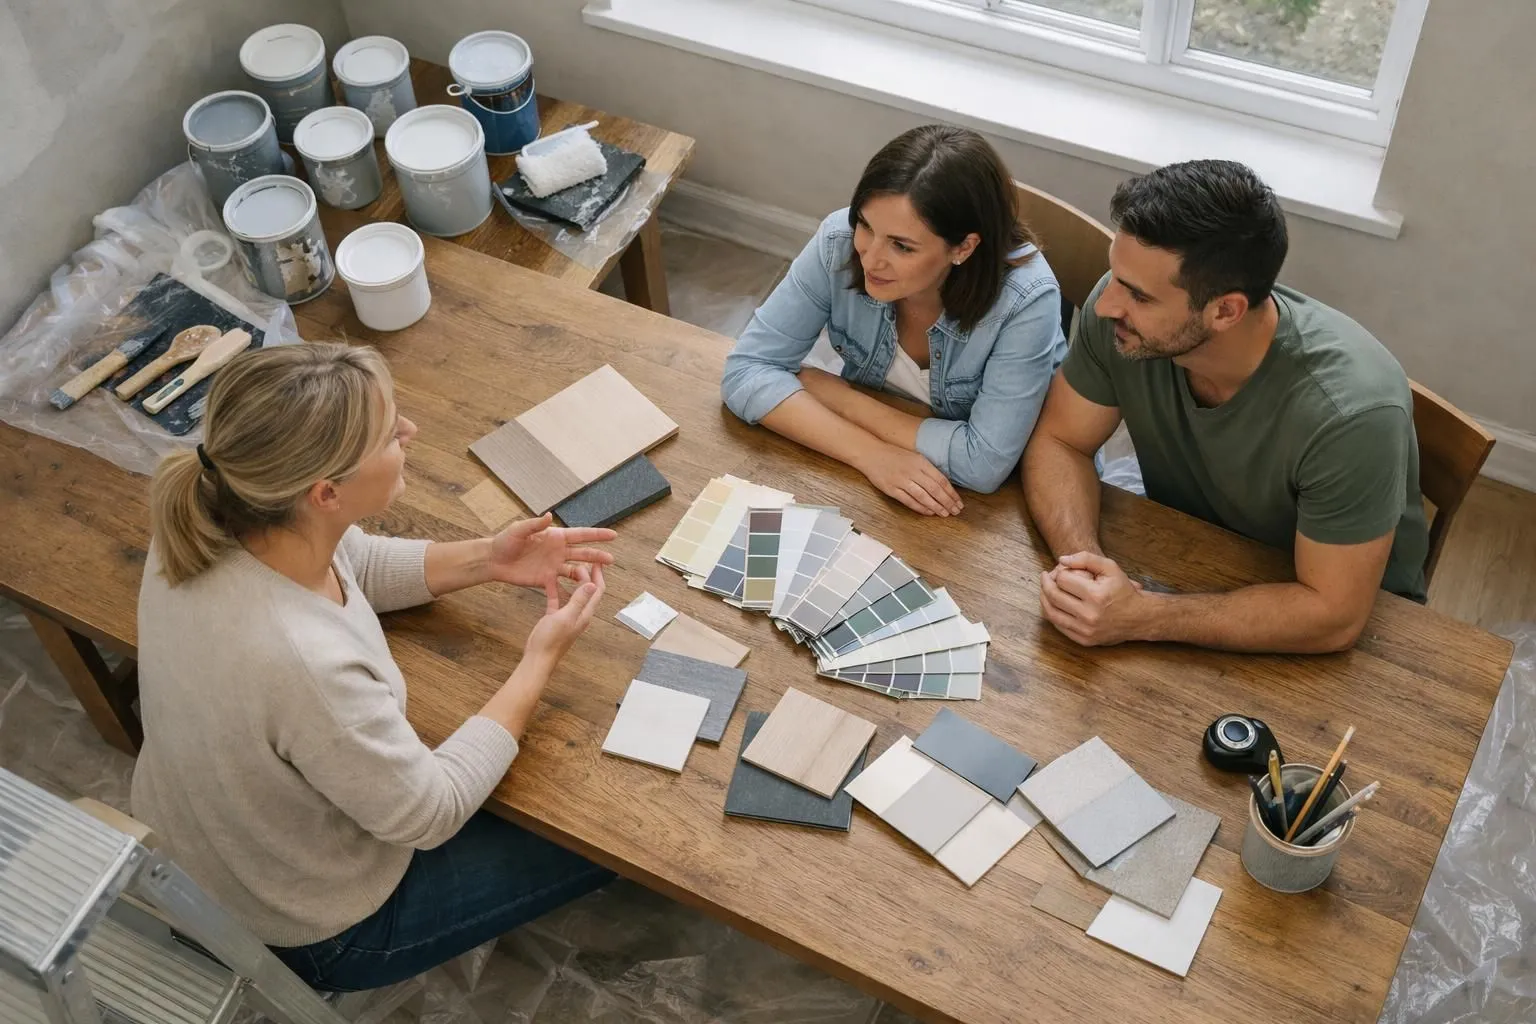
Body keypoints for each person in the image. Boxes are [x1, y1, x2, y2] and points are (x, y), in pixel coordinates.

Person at [131, 344, 617, 992]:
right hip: (317, 925)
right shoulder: (302, 666)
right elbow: (431, 810)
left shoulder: (213, 518)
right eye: (390, 433)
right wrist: (540, 659)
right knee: (614, 838)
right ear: (324, 492)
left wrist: (489, 560)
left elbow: (353, 561)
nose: (410, 433)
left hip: (212, 845)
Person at [1022, 160, 1428, 654]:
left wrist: (1143, 615)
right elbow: (1061, 441)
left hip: (1342, 636)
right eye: (1115, 275)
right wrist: (1084, 569)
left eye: (1138, 295)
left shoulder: (1351, 414)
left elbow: (1332, 615)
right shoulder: (1121, 322)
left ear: (1225, 311)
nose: (1106, 305)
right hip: (1189, 558)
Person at [721, 124, 1068, 515]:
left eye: (902, 246)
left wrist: (840, 398)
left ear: (964, 247)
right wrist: (871, 454)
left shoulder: (1027, 300)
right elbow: (746, 370)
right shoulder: (838, 239)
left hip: (1007, 504)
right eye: (866, 225)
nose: (870, 258)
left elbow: (983, 463)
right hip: (897, 473)